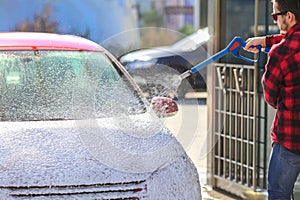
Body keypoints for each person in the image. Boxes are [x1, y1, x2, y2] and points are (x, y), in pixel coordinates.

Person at [244, 0, 300, 199]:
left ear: (289, 16)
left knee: (279, 194)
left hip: (290, 140)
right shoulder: (283, 47)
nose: (275, 20)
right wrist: (266, 40)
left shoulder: (280, 53)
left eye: (276, 16)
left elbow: (270, 96)